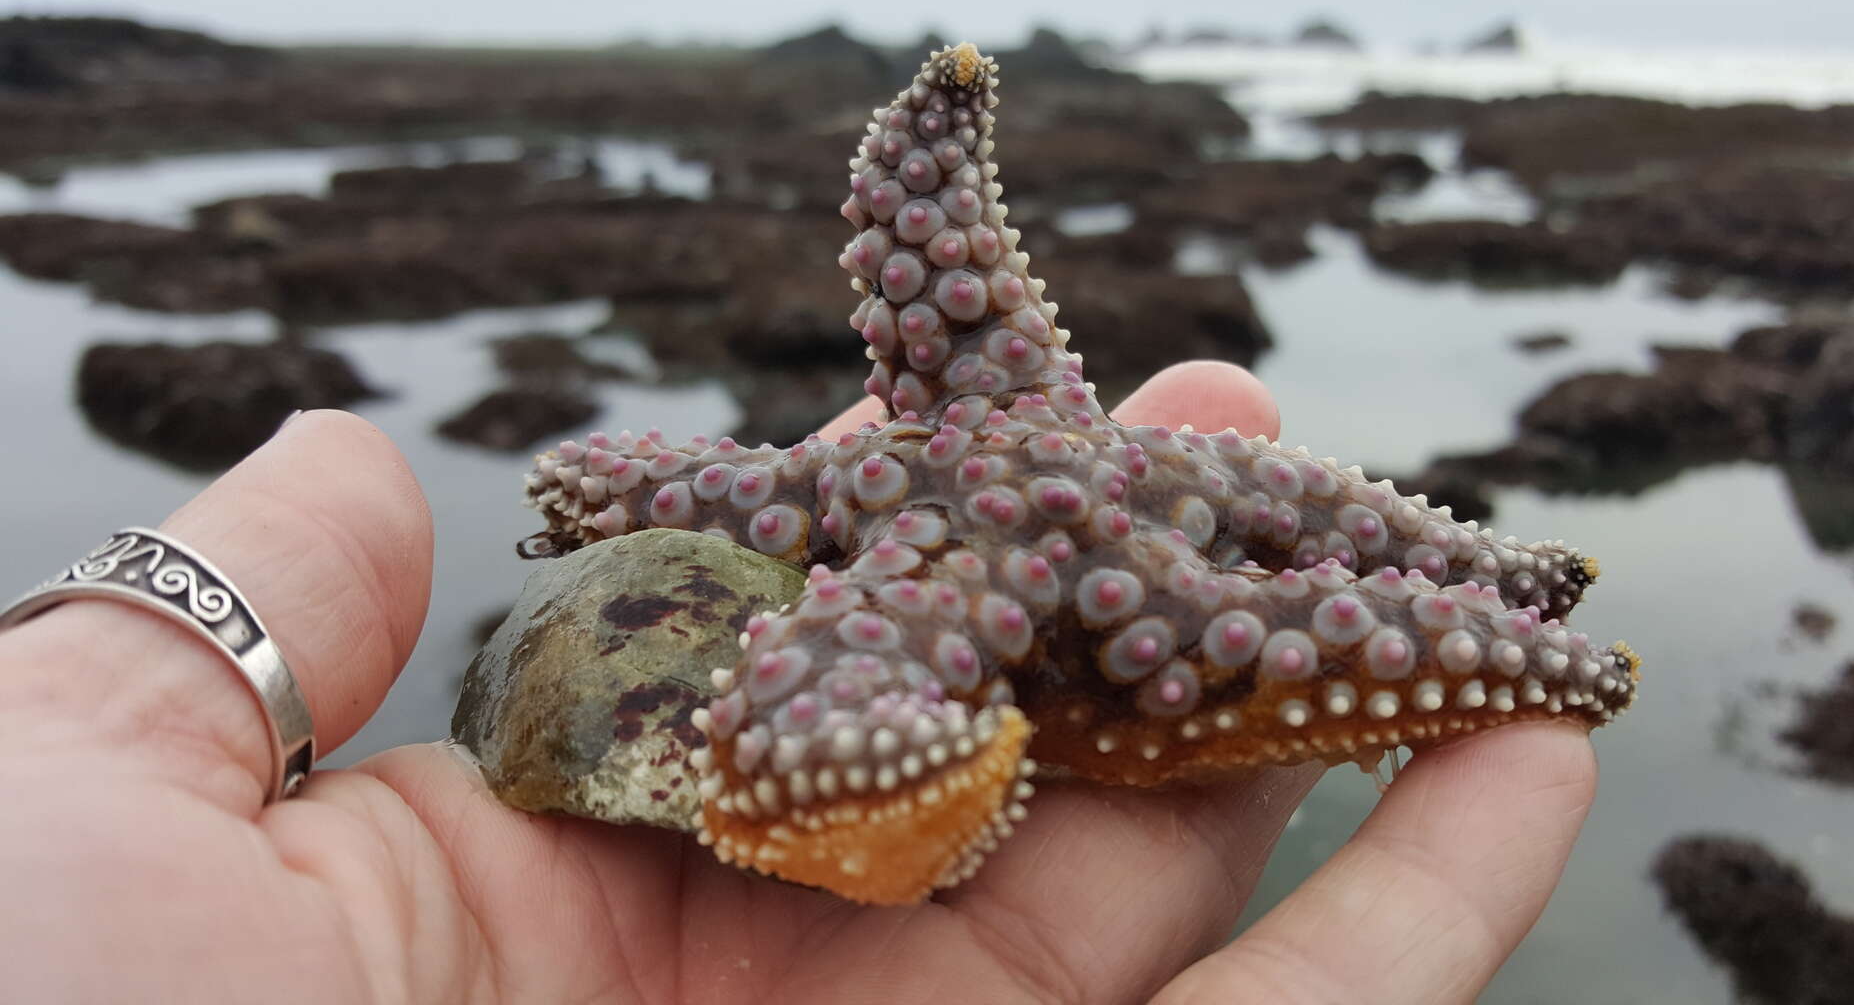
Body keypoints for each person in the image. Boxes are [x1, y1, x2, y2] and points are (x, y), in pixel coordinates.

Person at [0, 362, 1596, 1003]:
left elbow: (728, 497)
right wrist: (1515, 632)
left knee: (1481, 625)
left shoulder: (924, 511)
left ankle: (1531, 617)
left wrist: (1514, 621)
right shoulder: (938, 516)